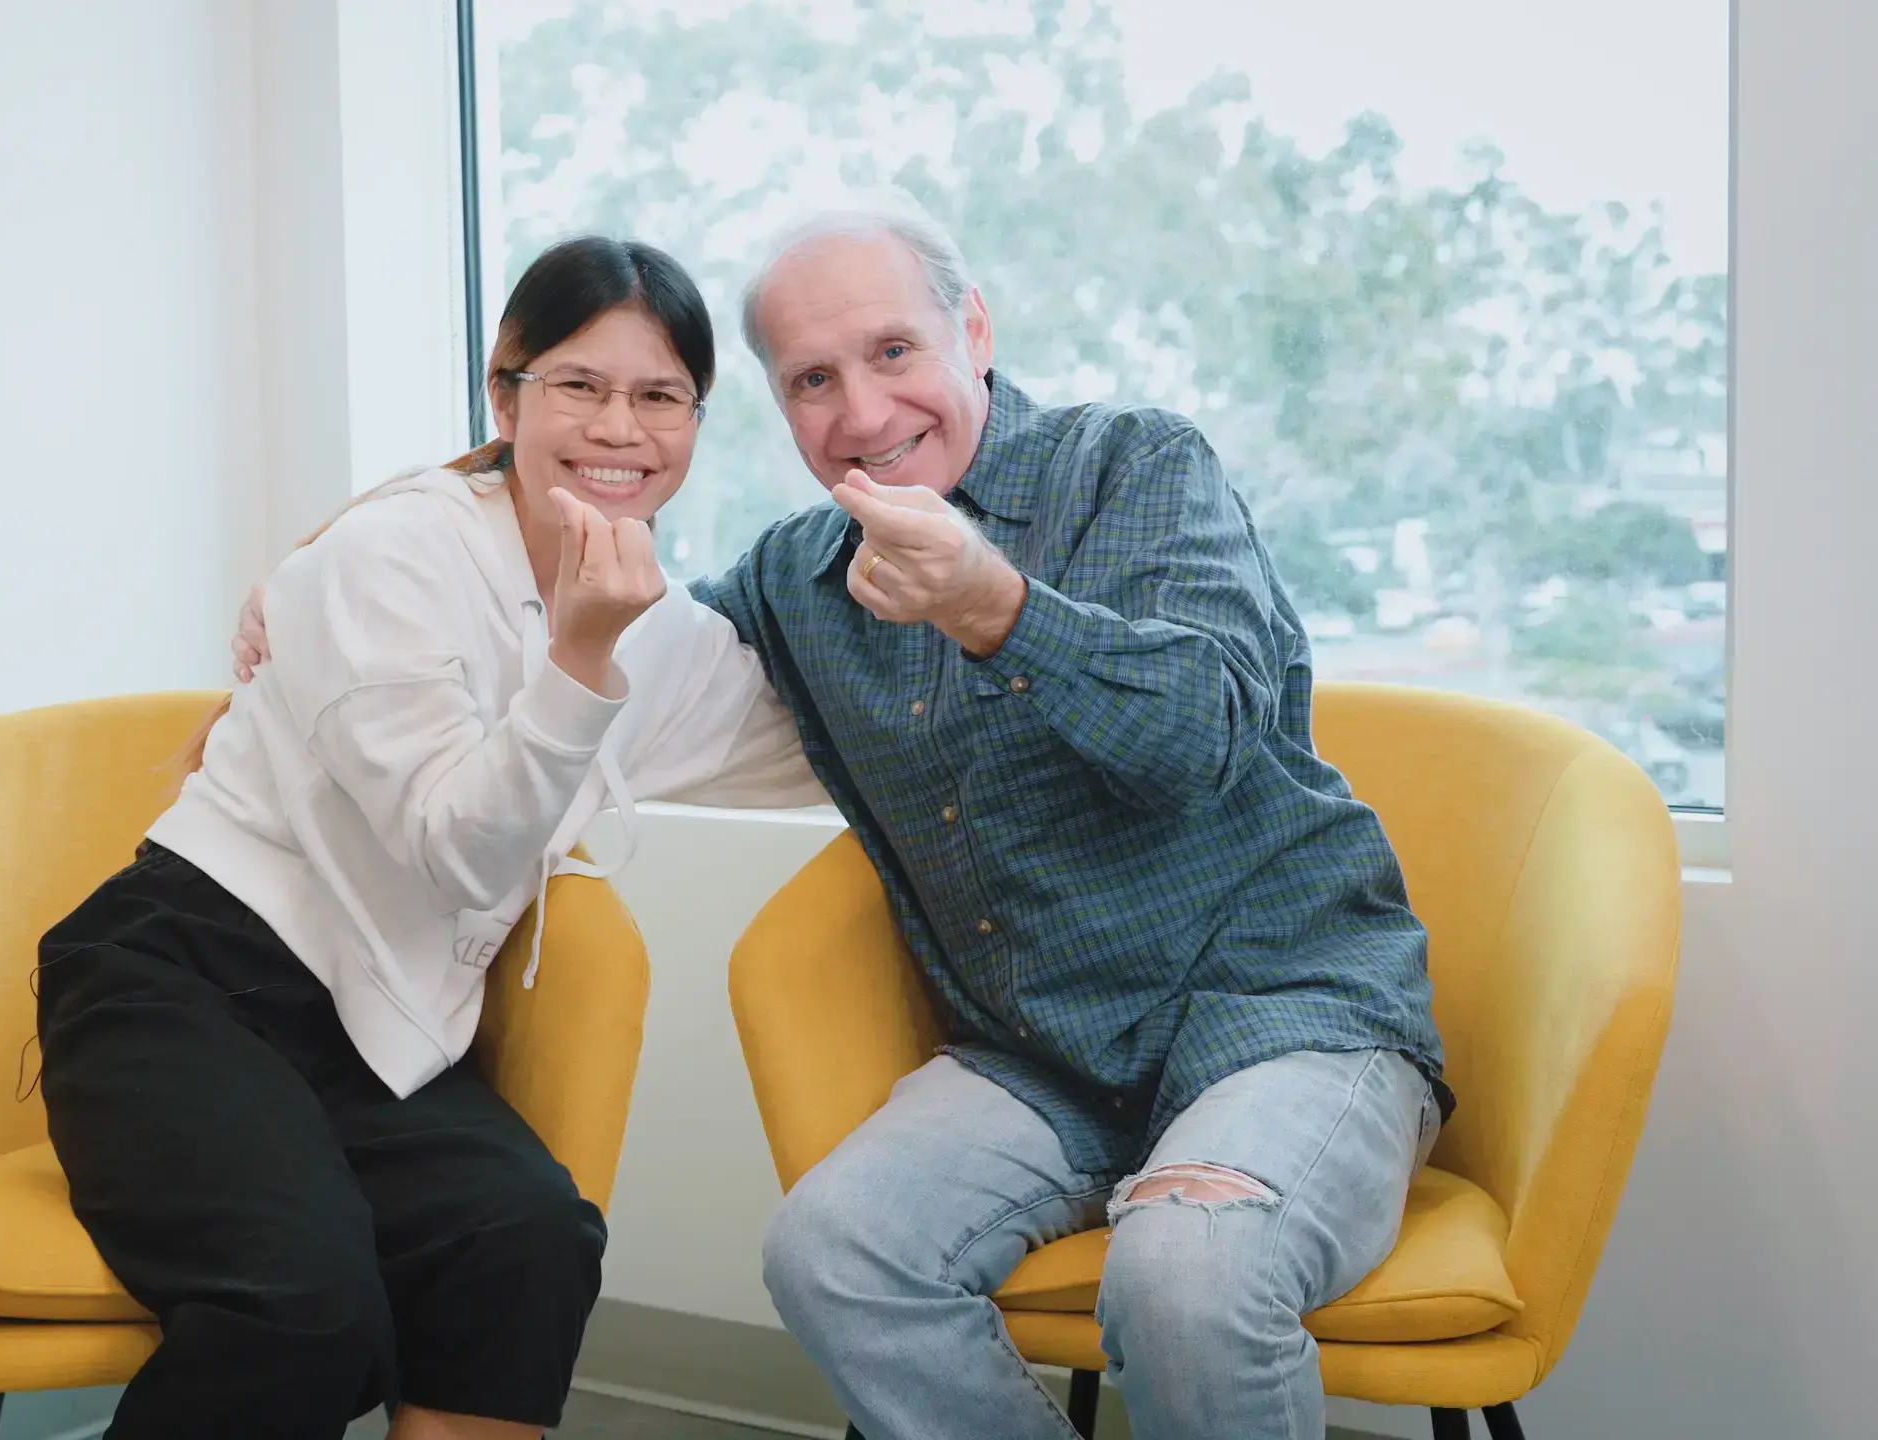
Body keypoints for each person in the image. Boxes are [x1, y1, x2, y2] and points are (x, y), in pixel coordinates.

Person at [234, 194, 1450, 1440]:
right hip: (1043, 1059)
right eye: (813, 380)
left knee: (1189, 1276)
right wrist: (327, 569)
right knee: (834, 1254)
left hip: (1282, 1017)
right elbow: (560, 612)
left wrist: (997, 606)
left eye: (892, 354)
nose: (863, 414)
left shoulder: (1133, 463)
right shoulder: (797, 580)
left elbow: (1205, 735)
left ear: (971, 329)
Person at [35, 235, 822, 1440]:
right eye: (579, 386)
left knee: (529, 1241)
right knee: (301, 1306)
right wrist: (579, 658)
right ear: (503, 393)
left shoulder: (664, 632)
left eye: (659, 396)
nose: (621, 427)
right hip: (178, 981)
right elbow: (451, 850)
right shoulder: (391, 555)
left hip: (375, 1030)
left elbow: (821, 744)